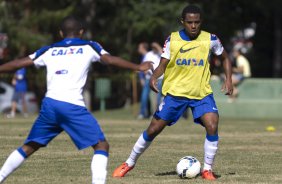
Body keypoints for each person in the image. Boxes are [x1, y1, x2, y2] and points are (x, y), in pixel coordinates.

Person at [0, 16, 152, 184]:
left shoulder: (49, 50)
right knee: (101, 146)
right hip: (71, 105)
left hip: (50, 105)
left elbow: (19, 63)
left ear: (60, 33)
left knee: (29, 147)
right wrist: (138, 67)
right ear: (81, 32)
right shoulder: (89, 46)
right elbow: (109, 60)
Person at [112, 5, 233, 181]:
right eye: (189, 22)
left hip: (201, 93)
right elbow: (163, 63)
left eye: (197, 22)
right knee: (153, 129)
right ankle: (128, 163)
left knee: (212, 124)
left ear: (201, 22)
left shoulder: (210, 39)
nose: (193, 26)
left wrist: (228, 79)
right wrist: (154, 76)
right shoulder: (173, 40)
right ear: (182, 22)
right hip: (175, 93)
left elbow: (225, 58)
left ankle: (207, 170)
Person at [137, 42, 162, 119]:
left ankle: (155, 113)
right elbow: (143, 65)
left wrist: (157, 46)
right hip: (149, 78)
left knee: (157, 97)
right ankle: (142, 113)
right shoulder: (148, 54)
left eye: (156, 47)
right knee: (145, 96)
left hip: (159, 78)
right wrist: (143, 74)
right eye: (153, 47)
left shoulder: (162, 54)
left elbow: (162, 52)